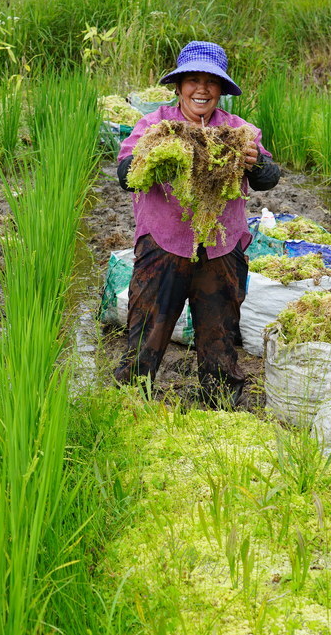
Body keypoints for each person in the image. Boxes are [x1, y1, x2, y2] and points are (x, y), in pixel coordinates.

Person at [114, 40, 280, 407]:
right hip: (163, 243)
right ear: (178, 86)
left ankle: (218, 403)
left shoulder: (239, 131)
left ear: (221, 88)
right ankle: (129, 402)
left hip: (221, 249)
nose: (201, 89)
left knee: (220, 334)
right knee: (147, 332)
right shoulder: (155, 126)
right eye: (192, 79)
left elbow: (269, 177)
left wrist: (255, 163)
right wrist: (150, 158)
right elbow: (125, 174)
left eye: (211, 81)